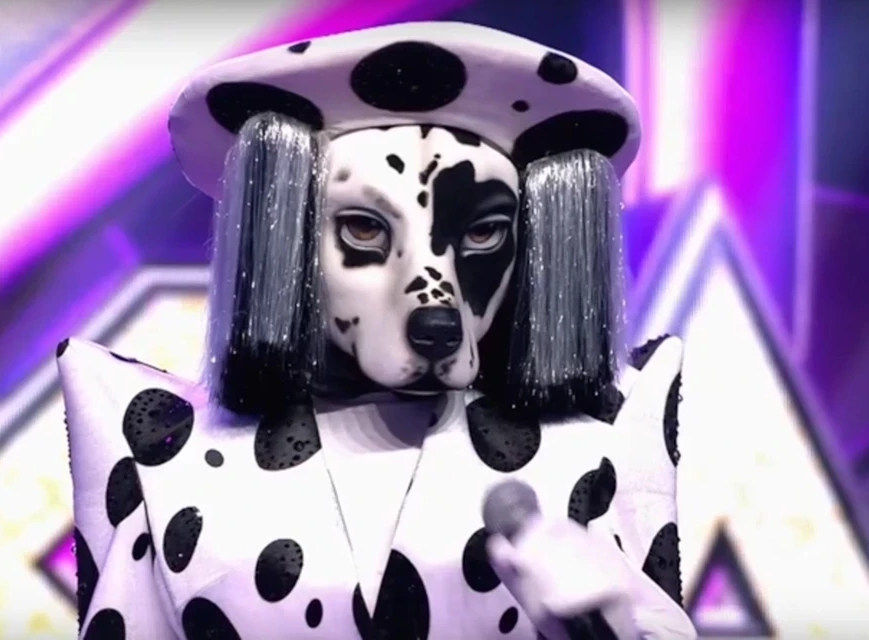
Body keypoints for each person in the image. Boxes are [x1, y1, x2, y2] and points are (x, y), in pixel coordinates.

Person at [57, 21, 697, 640]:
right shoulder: (169, 457)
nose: (431, 294)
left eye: (482, 233)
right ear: (292, 239)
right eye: (364, 228)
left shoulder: (596, 446)